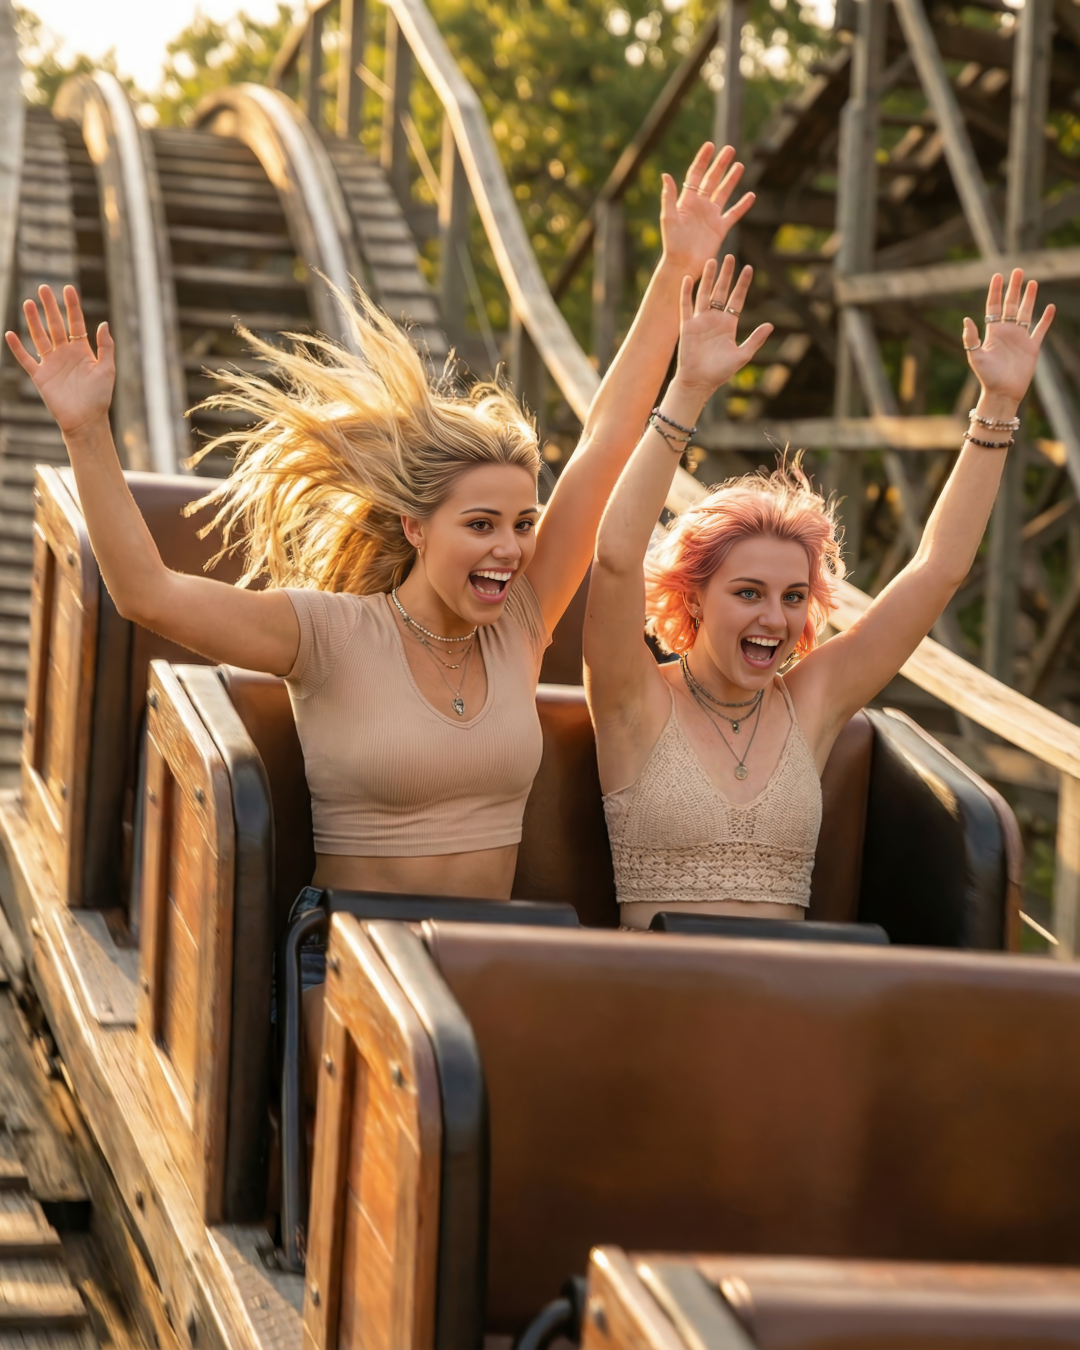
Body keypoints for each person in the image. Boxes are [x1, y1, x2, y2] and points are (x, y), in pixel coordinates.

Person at [584, 259, 1055, 930]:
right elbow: (613, 557)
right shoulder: (635, 699)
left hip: (793, 1012)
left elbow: (937, 570)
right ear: (692, 598)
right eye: (748, 592)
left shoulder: (811, 700)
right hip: (666, 1008)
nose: (775, 618)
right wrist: (686, 391)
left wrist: (997, 409)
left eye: (794, 596)